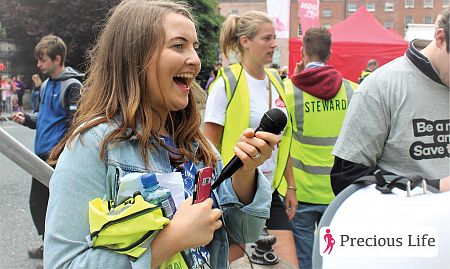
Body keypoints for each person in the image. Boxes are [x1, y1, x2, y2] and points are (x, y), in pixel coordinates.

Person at [44, 1, 279, 268]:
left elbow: (243, 233)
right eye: (179, 46)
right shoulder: (92, 146)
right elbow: (62, 263)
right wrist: (170, 241)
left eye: (195, 47)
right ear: (135, 57)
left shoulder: (196, 146)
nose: (195, 60)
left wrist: (245, 173)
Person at [204, 10, 298, 267]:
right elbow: (207, 146)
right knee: (233, 264)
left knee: (287, 262)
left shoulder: (277, 79)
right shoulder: (227, 82)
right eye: (266, 38)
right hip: (232, 195)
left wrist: (290, 185)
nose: (274, 44)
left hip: (271, 191)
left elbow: (283, 139)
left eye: (274, 38)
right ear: (245, 41)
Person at [331, 8, 450, 196]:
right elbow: (346, 178)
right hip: (407, 222)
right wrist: (433, 187)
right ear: (441, 38)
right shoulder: (381, 86)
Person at [282, 27, 357, 269]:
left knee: (304, 258)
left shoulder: (288, 91)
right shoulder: (352, 90)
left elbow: (281, 144)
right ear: (330, 54)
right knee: (334, 256)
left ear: (302, 52)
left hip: (300, 192)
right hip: (340, 191)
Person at [11, 34, 84, 260]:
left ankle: (63, 250)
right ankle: (49, 244)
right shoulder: (44, 87)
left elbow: (74, 124)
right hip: (40, 154)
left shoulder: (73, 86)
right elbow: (43, 117)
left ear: (57, 58)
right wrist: (27, 120)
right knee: (38, 202)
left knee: (60, 205)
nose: (39, 64)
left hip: (59, 156)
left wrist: (64, 154)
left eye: (42, 60)